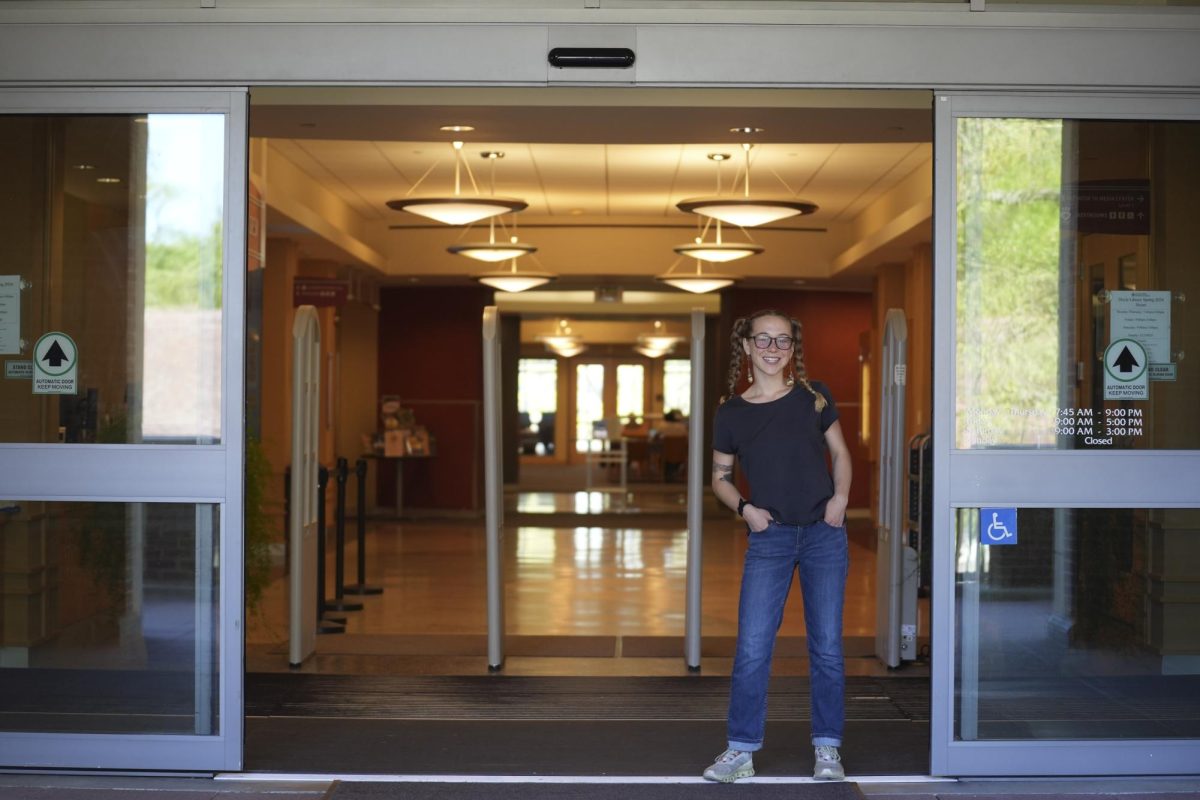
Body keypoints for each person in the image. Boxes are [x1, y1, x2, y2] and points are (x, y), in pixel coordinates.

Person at [702, 309, 853, 783]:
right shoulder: (732, 412)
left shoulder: (813, 397)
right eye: (762, 340)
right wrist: (746, 509)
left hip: (824, 535)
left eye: (782, 341)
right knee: (752, 647)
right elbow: (720, 478)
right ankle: (741, 751)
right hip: (770, 538)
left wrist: (841, 500)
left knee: (826, 646)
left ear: (793, 349)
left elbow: (841, 454)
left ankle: (827, 749)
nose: (772, 349)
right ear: (745, 346)